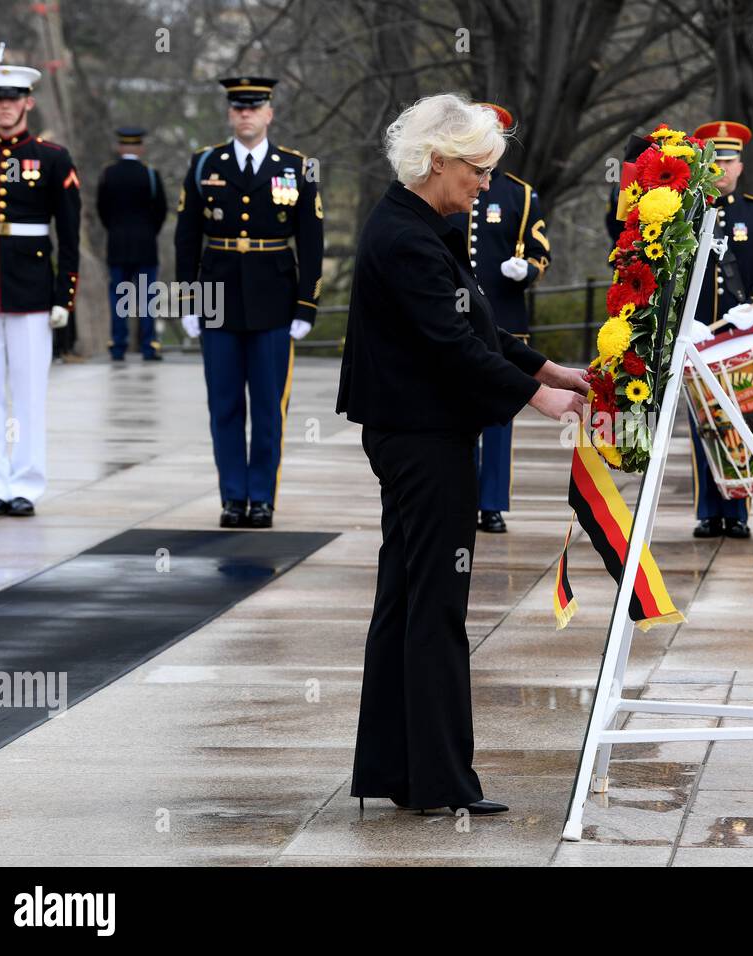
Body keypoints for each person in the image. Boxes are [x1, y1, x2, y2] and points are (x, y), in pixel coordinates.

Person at [336, 93, 587, 815]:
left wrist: (545, 370)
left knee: (409, 600)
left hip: (419, 431)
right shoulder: (407, 238)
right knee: (435, 605)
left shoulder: (417, 225)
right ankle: (438, 780)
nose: (485, 185)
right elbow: (450, 348)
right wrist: (536, 400)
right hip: (420, 437)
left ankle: (400, 771)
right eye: (477, 171)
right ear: (437, 161)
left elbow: (473, 324)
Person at [174, 76, 324, 528]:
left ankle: (261, 497)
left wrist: (306, 306)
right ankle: (232, 497)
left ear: (269, 113)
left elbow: (312, 241)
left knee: (267, 407)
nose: (246, 114)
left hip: (274, 301)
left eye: (254, 107)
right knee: (223, 406)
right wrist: (187, 300)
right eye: (238, 107)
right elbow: (186, 238)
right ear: (229, 113)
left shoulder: (297, 167)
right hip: (217, 298)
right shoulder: (205, 164)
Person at [0, 62, 79, 518]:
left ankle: (26, 485)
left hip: (32, 287)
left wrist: (63, 296)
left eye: (13, 99)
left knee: (29, 392)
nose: (5, 107)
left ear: (28, 102)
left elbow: (68, 235)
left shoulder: (52, 157)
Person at [445, 102, 551, 534]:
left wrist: (526, 269)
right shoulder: (451, 187)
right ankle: (462, 494)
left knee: (499, 417)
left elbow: (540, 250)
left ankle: (491, 502)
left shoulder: (519, 194)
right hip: (456, 316)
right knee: (459, 410)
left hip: (505, 317)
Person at [686, 120, 753, 539]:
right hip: (700, 336)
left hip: (741, 337)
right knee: (703, 424)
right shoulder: (686, 213)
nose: (722, 169)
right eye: (715, 160)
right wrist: (682, 319)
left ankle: (738, 512)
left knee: (744, 419)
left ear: (740, 166)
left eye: (728, 161)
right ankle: (708, 513)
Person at [97, 126, 167, 361]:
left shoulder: (109, 173)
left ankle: (118, 346)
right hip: (146, 245)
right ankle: (148, 346)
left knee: (119, 298)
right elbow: (161, 210)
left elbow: (102, 209)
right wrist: (149, 232)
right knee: (147, 299)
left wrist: (115, 230)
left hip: (117, 244)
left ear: (119, 147)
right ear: (141, 148)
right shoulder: (149, 174)